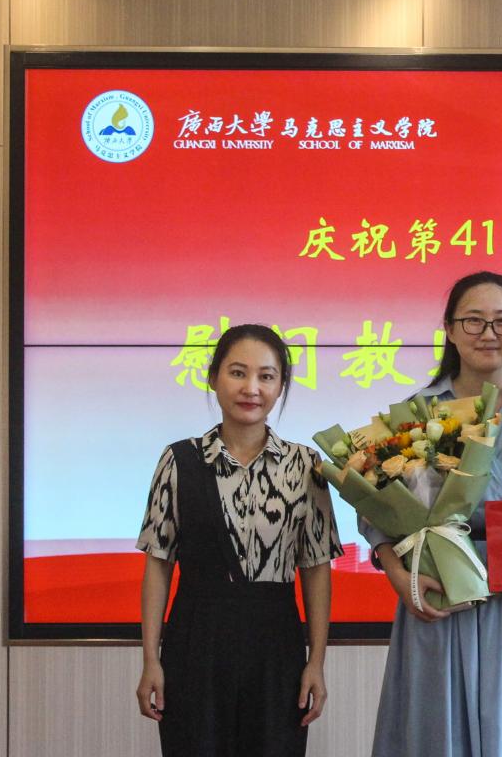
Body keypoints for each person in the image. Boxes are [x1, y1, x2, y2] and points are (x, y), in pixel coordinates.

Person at [361, 271, 502, 757]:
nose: (488, 333)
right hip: (436, 596)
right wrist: (397, 573)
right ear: (449, 328)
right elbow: (375, 507)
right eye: (474, 321)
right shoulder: (416, 411)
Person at [134, 323, 343, 757]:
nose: (251, 388)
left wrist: (316, 662)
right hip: (196, 640)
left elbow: (316, 569)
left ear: (281, 386)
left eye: (266, 376)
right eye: (237, 372)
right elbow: (158, 564)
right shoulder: (179, 460)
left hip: (276, 645)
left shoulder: (306, 466)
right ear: (214, 378)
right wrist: (151, 659)